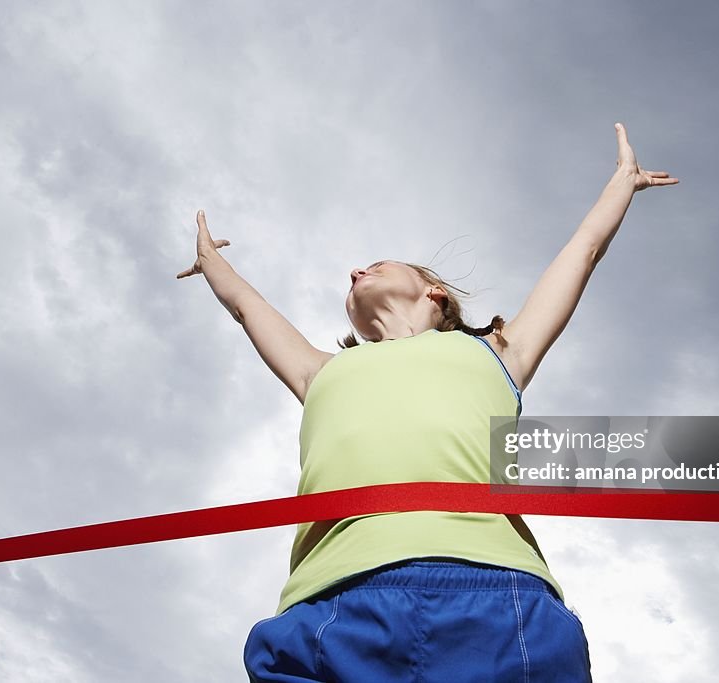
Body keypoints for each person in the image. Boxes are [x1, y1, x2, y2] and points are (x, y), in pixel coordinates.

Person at [177, 123, 677, 682]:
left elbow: (582, 254)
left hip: (496, 595)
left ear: (434, 291)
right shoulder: (320, 370)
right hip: (334, 601)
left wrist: (622, 184)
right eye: (354, 276)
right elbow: (247, 308)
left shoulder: (499, 353)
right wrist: (210, 260)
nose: (355, 271)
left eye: (378, 264)